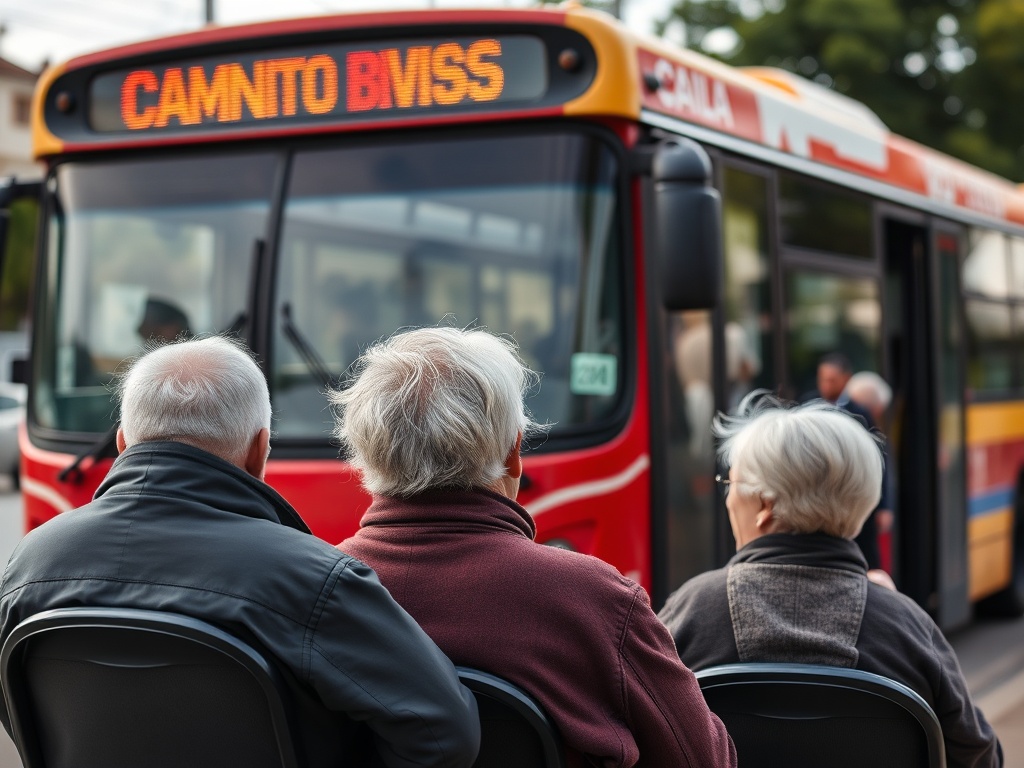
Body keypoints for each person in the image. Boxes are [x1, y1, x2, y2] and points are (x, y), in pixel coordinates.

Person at [0, 336, 480, 768]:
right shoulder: (315, 580)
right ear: (259, 451)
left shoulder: (29, 564)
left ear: (123, 444)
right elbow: (444, 733)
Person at [330, 326, 736, 768]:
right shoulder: (595, 599)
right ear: (513, 453)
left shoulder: (319, 594)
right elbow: (703, 758)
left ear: (366, 455)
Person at [658, 396, 1002, 768]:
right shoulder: (908, 626)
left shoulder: (691, 610)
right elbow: (981, 756)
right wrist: (892, 609)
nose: (727, 498)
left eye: (730, 481)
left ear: (765, 505)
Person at [810, 352, 884, 569]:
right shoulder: (809, 407)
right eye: (822, 378)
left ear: (846, 379)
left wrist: (883, 504)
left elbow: (877, 459)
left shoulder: (860, 413)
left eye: (832, 380)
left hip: (855, 493)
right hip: (821, 495)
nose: (825, 385)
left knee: (862, 549)